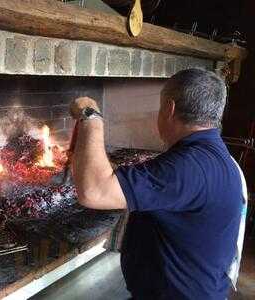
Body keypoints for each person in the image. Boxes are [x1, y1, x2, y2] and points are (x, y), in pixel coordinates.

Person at [69, 68, 247, 300]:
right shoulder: (213, 156)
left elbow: (93, 192)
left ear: (169, 109)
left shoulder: (187, 167)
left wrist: (90, 116)